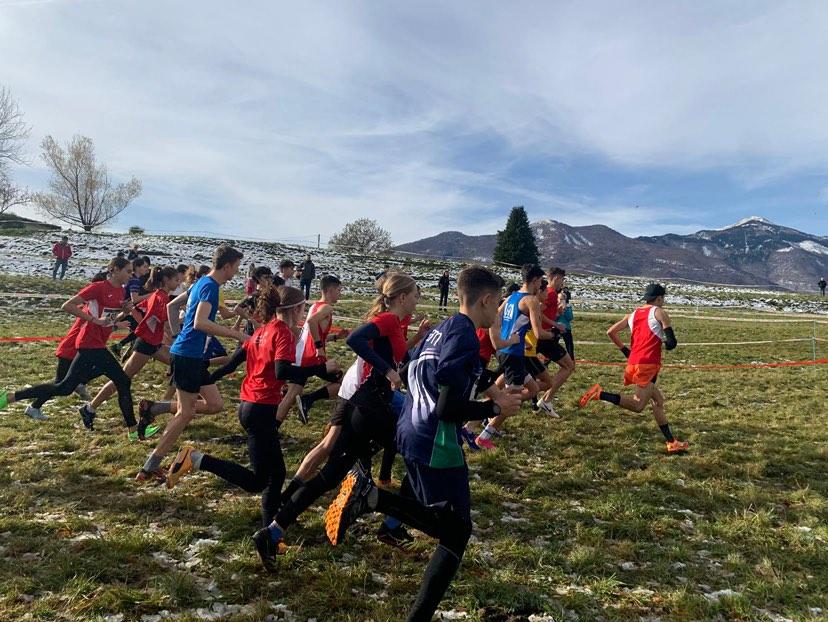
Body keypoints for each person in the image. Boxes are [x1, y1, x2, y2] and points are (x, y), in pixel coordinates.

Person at [323, 266, 522, 622]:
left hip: (410, 429)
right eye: (499, 305)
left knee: (440, 518)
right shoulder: (463, 336)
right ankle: (372, 498)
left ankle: (380, 511)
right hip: (435, 438)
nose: (500, 313)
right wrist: (496, 406)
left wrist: (489, 386)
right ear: (486, 300)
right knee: (457, 531)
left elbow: (431, 371)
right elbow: (448, 407)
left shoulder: (448, 328)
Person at [252, 272, 420, 569]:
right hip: (371, 405)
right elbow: (356, 339)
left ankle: (273, 531)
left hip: (368, 404)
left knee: (330, 475)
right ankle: (389, 524)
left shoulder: (395, 323)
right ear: (403, 297)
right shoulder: (389, 319)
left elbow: (398, 356)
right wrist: (387, 370)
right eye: (416, 295)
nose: (419, 299)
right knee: (419, 454)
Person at [165, 286, 340, 526]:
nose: (304, 313)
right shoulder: (283, 334)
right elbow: (283, 371)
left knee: (276, 475)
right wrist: (322, 369)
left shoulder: (261, 332)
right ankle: (195, 459)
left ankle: (272, 527)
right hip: (260, 410)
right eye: (303, 309)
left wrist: (205, 377)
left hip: (251, 406)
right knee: (260, 480)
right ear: (296, 309)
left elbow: (232, 364)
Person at [135, 244, 249, 483]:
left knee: (215, 404)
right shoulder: (210, 287)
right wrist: (237, 335)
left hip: (191, 355)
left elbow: (172, 306)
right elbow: (200, 323)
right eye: (236, 267)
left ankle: (155, 408)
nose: (236, 273)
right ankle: (149, 466)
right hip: (188, 356)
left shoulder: (201, 283)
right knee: (186, 412)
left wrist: (176, 334)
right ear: (227, 266)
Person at [1, 257, 141, 436]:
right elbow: (67, 305)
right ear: (114, 269)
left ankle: (10, 397)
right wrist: (94, 320)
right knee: (123, 380)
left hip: (96, 343)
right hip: (89, 344)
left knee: (64, 388)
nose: (131, 275)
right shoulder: (98, 287)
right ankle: (134, 431)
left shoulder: (121, 292)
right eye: (128, 271)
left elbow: (107, 320)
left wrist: (124, 314)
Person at [579, 283, 689, 454]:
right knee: (638, 406)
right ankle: (600, 394)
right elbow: (672, 343)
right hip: (648, 365)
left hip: (634, 363)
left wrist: (626, 351)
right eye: (663, 298)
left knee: (658, 401)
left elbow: (610, 332)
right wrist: (666, 343)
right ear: (659, 298)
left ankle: (671, 442)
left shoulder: (634, 314)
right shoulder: (660, 312)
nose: (664, 301)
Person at [79, 266, 181, 440]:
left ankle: (175, 408)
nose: (179, 284)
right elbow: (161, 321)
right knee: (122, 379)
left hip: (153, 344)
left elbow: (138, 309)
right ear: (166, 280)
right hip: (146, 345)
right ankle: (90, 408)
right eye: (176, 280)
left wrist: (148, 325)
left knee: (179, 365)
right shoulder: (160, 297)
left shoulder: (160, 296)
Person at [476, 264, 554, 449]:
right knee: (512, 400)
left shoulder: (512, 297)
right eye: (540, 283)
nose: (540, 286)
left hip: (509, 351)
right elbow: (538, 332)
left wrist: (502, 337)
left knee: (533, 389)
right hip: (513, 354)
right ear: (535, 281)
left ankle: (485, 410)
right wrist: (554, 335)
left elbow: (496, 315)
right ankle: (483, 433)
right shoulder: (531, 301)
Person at [294, 275, 347, 422]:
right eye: (338, 290)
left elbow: (312, 331)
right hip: (313, 356)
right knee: (342, 380)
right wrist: (319, 347)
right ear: (330, 290)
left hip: (302, 354)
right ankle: (309, 399)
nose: (340, 294)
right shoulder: (327, 307)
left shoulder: (314, 306)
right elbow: (311, 322)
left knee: (293, 393)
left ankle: (274, 424)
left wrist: (336, 337)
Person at [534, 267, 575, 417]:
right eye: (562, 279)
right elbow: (538, 312)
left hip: (543, 336)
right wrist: (555, 324)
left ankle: (544, 399)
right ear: (556, 278)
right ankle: (546, 399)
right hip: (544, 337)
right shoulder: (551, 293)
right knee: (569, 366)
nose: (562, 283)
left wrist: (557, 313)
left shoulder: (550, 294)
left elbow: (543, 313)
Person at [558, 288, 575, 360]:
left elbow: (570, 318)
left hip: (566, 328)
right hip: (557, 327)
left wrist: (565, 310)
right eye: (560, 299)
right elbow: (553, 317)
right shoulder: (555, 307)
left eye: (563, 299)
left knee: (569, 344)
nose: (561, 301)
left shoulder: (568, 307)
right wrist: (558, 312)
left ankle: (571, 359)